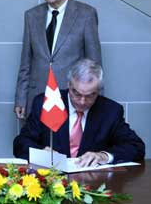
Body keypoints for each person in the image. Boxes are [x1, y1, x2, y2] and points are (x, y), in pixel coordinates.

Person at [13, 59, 145, 167]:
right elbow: (20, 143)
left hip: (93, 183)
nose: (82, 102)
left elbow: (136, 147)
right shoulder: (46, 103)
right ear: (69, 85)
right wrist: (41, 153)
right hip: (51, 180)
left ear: (98, 90)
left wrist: (103, 156)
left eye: (90, 96)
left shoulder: (110, 111)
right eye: (76, 93)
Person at [14, 0, 102, 119]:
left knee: (69, 143)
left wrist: (96, 102)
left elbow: (94, 64)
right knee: (37, 142)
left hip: (72, 97)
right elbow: (26, 63)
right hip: (37, 97)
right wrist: (21, 98)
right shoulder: (31, 16)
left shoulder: (86, 14)